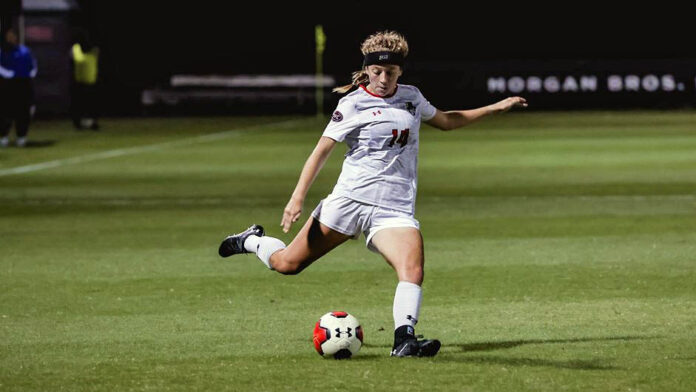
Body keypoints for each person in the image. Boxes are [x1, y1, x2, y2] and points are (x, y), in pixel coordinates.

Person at [218, 30, 528, 357]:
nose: (382, 79)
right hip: (349, 201)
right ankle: (251, 240)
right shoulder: (352, 104)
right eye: (376, 72)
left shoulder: (411, 97)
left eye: (390, 72)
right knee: (286, 264)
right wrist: (297, 198)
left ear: (400, 71)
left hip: (394, 208)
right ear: (366, 70)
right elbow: (321, 151)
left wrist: (496, 107)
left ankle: (404, 340)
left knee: (412, 268)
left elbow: (447, 121)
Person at [0, 28, 37, 148]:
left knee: (23, 112)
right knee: (6, 111)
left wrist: (31, 73)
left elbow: (33, 64)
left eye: (12, 35)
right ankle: (3, 136)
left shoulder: (25, 51)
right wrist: (8, 74)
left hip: (24, 84)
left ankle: (21, 137)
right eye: (8, 36)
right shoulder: (2, 51)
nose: (10, 38)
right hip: (8, 85)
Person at [70, 29, 100, 130]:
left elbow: (94, 49)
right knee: (80, 105)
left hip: (91, 84)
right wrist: (76, 47)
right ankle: (79, 123)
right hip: (81, 84)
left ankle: (91, 122)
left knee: (91, 106)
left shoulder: (92, 56)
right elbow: (79, 58)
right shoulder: (80, 56)